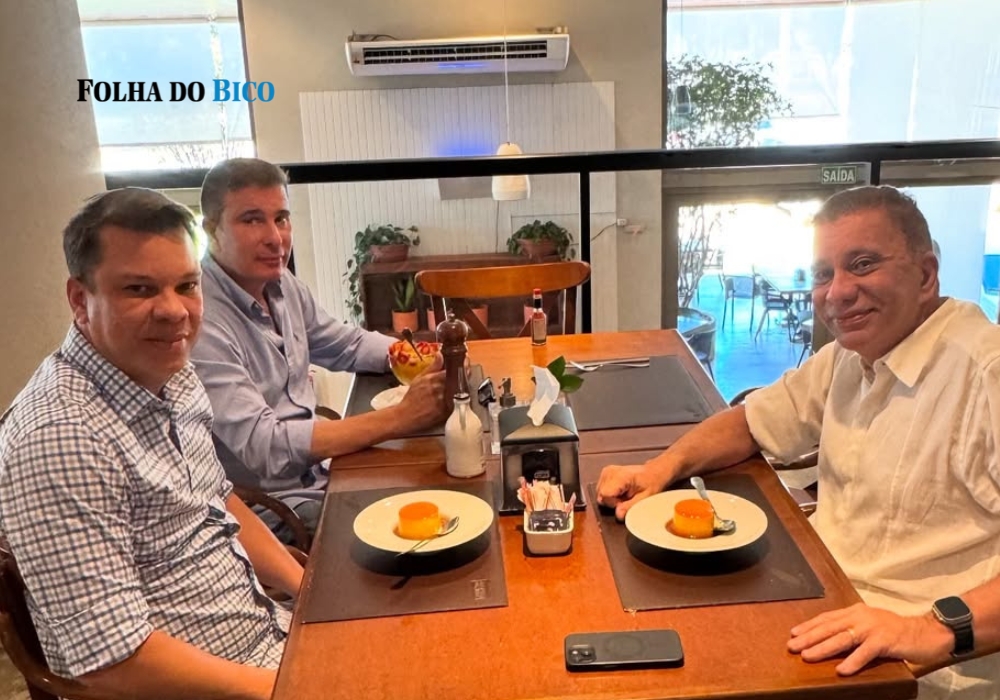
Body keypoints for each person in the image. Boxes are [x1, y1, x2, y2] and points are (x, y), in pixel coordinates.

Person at [597, 186, 1000, 699]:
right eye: (824, 274)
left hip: (919, 669)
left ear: (925, 274)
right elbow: (750, 422)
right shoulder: (849, 356)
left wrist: (931, 629)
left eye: (863, 264)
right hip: (818, 605)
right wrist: (662, 467)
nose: (838, 292)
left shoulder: (985, 372)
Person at [0, 188, 303, 699]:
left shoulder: (171, 373)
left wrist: (304, 588)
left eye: (186, 285)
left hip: (266, 641)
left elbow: (216, 499)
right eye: (139, 289)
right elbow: (111, 662)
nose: (173, 311)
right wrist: (296, 686)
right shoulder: (61, 437)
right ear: (80, 300)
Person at [191, 158, 447, 537]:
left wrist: (421, 356)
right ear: (211, 230)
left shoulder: (282, 285)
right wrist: (399, 418)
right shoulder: (199, 320)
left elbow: (344, 343)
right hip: (272, 511)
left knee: (437, 481)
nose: (275, 238)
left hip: (321, 472)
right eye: (252, 220)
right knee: (417, 518)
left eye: (281, 218)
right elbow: (266, 448)